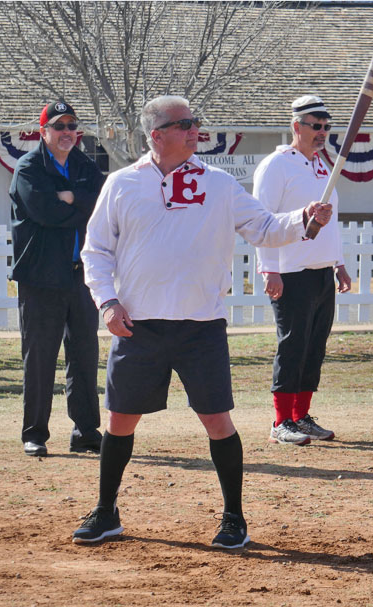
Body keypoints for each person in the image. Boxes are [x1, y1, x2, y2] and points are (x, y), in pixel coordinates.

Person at [72, 95, 332, 548]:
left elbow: (265, 228)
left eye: (195, 122)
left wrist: (303, 219)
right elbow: (95, 250)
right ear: (157, 135)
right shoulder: (121, 184)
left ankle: (234, 519)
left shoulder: (219, 184)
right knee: (120, 420)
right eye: (184, 124)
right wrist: (107, 302)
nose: (195, 130)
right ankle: (106, 511)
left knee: (217, 421)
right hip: (138, 324)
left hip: (201, 325)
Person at [254, 95, 352, 446]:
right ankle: (281, 421)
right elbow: (262, 220)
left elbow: (331, 221)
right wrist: (269, 269)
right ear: (297, 126)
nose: (322, 132)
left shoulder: (323, 166)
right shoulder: (276, 165)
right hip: (290, 270)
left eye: (326, 127)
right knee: (293, 345)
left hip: (321, 270)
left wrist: (338, 263)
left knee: (314, 347)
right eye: (316, 126)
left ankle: (301, 416)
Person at [9, 100, 105, 457]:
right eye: (59, 126)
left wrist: (72, 197)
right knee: (40, 358)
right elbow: (46, 213)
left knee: (84, 355)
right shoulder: (29, 168)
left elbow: (102, 204)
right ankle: (34, 433)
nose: (67, 132)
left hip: (81, 276)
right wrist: (81, 206)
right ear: (44, 131)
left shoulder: (84, 165)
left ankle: (86, 432)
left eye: (71, 126)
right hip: (40, 277)